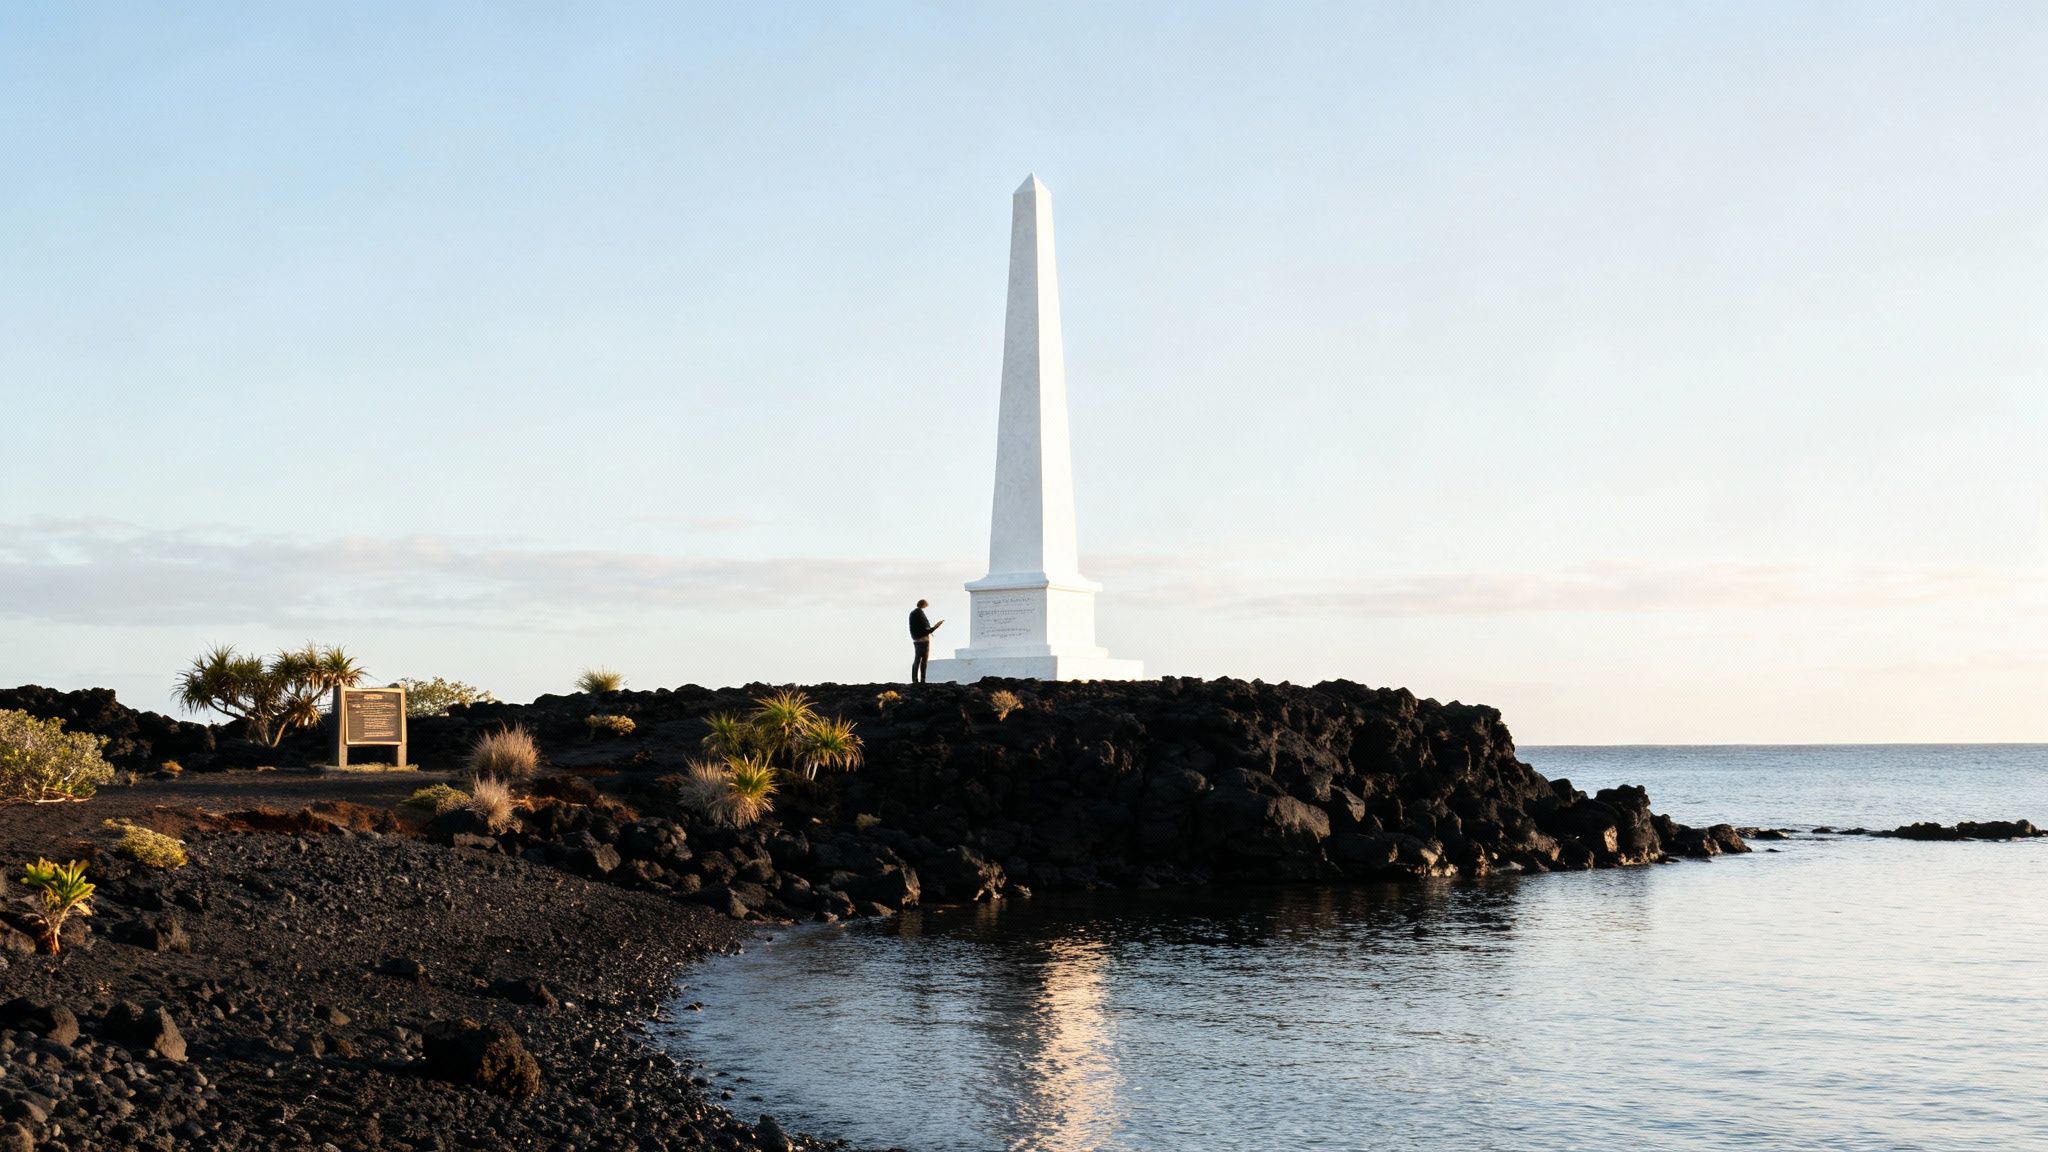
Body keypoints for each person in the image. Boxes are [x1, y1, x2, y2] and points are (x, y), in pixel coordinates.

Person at [908, 599, 944, 683]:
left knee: (917, 659)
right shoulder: (919, 614)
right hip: (922, 640)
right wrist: (936, 627)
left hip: (917, 639)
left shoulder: (914, 613)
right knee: (923, 660)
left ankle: (915, 679)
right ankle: (921, 680)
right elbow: (925, 629)